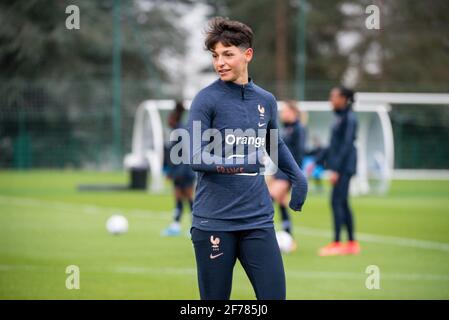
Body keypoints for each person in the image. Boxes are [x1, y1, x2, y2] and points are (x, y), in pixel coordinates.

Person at [187, 17, 308, 300]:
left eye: (228, 54)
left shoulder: (265, 100)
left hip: (258, 220)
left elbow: (274, 142)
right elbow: (194, 156)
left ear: (247, 54)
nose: (220, 63)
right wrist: (242, 163)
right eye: (216, 56)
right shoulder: (205, 100)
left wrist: (297, 176)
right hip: (214, 222)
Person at [316, 86, 360, 256]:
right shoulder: (339, 117)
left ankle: (336, 243)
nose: (331, 100)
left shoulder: (349, 118)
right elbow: (333, 145)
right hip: (341, 166)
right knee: (342, 202)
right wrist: (318, 160)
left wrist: (336, 169)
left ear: (343, 98)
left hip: (344, 166)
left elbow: (346, 146)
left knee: (336, 202)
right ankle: (351, 243)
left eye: (333, 96)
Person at [268, 100, 306, 250]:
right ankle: (290, 239)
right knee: (282, 204)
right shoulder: (286, 128)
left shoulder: (299, 129)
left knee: (267, 200)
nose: (283, 114)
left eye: (286, 111)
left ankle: (258, 235)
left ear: (294, 113)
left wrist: (294, 176)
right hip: (280, 171)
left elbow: (299, 153)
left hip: (288, 173)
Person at [162, 101, 196, 236]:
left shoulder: (180, 132)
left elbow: (185, 155)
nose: (168, 121)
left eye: (169, 119)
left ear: (174, 119)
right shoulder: (176, 131)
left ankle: (194, 226)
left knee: (189, 198)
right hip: (179, 172)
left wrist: (178, 172)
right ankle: (176, 225)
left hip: (185, 172)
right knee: (178, 198)